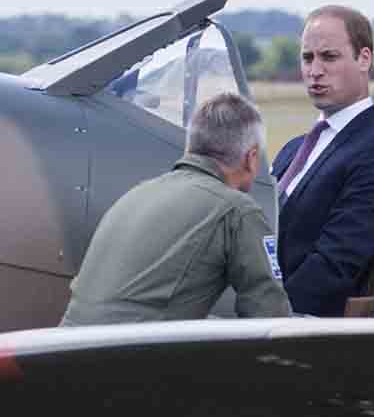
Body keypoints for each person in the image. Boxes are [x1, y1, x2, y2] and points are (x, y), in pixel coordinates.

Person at [60, 93, 291, 326]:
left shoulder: (137, 194)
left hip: (63, 350)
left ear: (192, 146)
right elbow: (269, 316)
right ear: (251, 158)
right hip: (124, 356)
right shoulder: (237, 210)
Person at [271, 5, 374, 317]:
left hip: (298, 329)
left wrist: (266, 313)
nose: (314, 71)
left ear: (364, 59)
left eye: (329, 57)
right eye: (308, 58)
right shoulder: (293, 149)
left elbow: (336, 263)